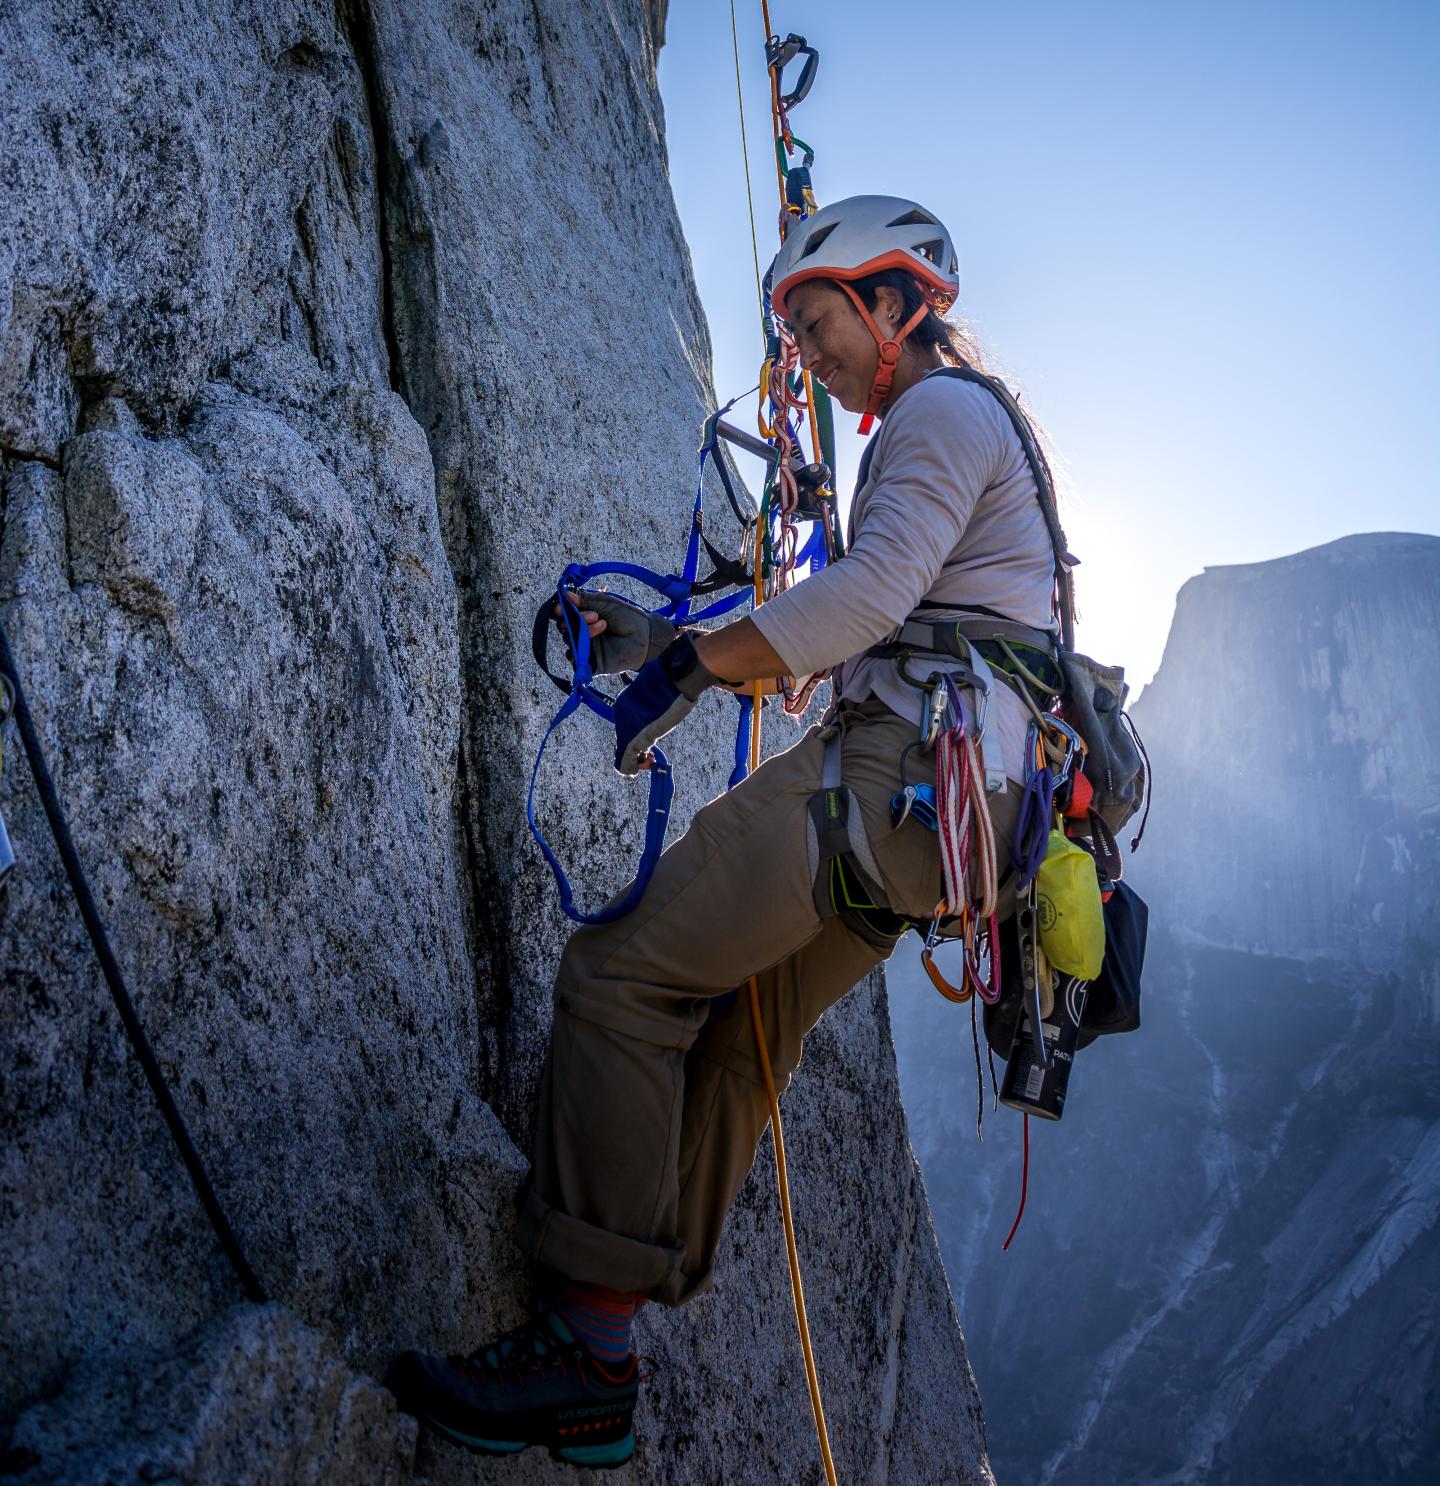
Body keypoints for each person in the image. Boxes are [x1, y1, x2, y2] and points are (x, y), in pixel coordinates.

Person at [387, 196, 1063, 1468]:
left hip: (892, 781)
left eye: (818, 324)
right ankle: (616, 1314)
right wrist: (706, 651)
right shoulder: (981, 433)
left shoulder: (941, 412)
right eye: (799, 336)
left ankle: (590, 1343)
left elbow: (866, 595)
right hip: (945, 832)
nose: (807, 358)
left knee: (621, 973)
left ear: (897, 303)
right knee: (745, 1033)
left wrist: (690, 667)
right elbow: (893, 617)